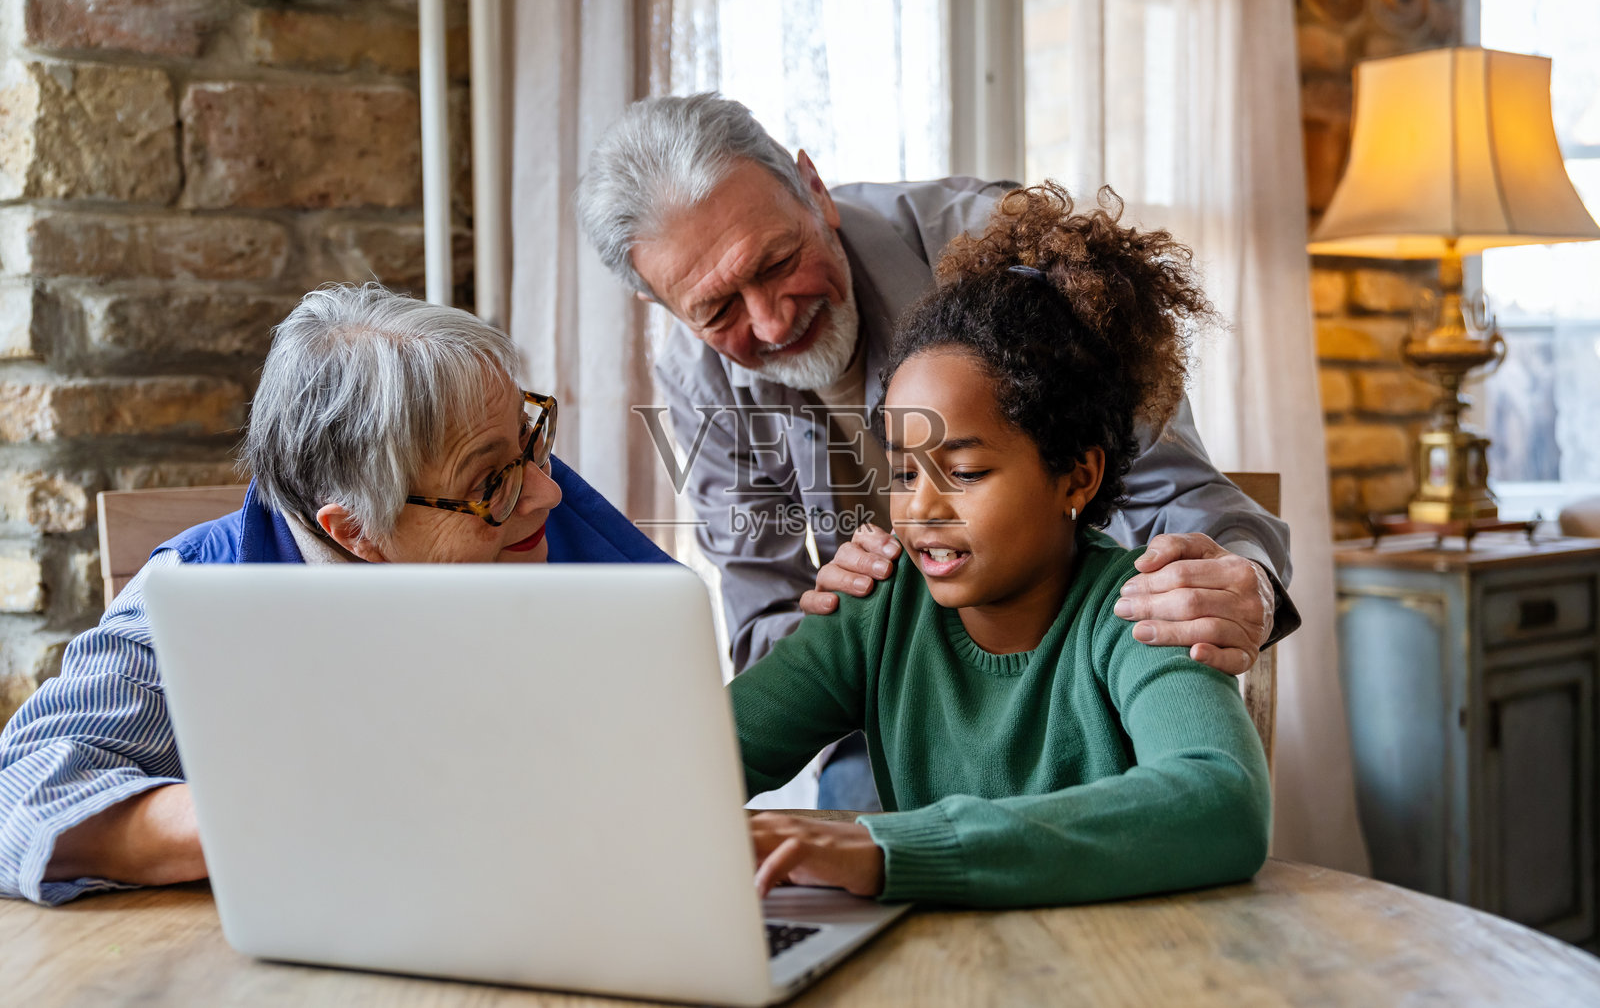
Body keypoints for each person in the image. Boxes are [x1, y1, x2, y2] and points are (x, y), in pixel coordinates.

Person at [0, 282, 864, 906]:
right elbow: (19, 796)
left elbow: (679, 752)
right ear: (353, 531)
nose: (545, 493)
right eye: (488, 481)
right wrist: (286, 804)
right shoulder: (201, 590)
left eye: (532, 443)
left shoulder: (534, 507)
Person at [576, 94, 1296, 807]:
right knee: (858, 792)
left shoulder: (1005, 254)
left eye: (776, 261)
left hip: (1083, 671)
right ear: (662, 304)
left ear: (814, 190)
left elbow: (1172, 492)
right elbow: (764, 630)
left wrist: (1246, 585)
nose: (770, 321)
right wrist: (853, 617)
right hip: (890, 711)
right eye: (717, 308)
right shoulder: (698, 382)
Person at [731, 185, 1271, 905]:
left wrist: (891, 846)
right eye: (900, 471)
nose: (919, 507)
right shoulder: (877, 611)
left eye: (965, 471)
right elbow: (699, 760)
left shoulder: (1140, 615)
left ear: (1076, 474)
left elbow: (1223, 800)